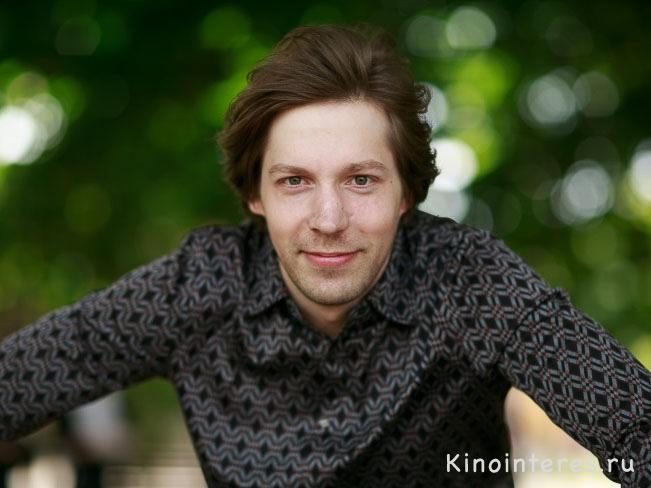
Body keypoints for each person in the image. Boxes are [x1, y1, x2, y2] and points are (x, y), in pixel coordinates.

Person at [1, 23, 650, 488]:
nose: (329, 220)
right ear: (255, 194)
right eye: (294, 181)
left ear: (405, 193)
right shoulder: (200, 284)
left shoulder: (468, 278)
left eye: (360, 180)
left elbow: (634, 425)